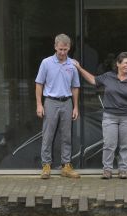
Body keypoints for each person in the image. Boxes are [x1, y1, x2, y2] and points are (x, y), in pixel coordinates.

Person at [72, 52, 127, 179]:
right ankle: (107, 170)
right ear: (118, 64)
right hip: (110, 117)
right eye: (125, 63)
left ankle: (123, 170)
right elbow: (93, 80)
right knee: (109, 144)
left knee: (125, 145)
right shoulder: (108, 77)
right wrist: (79, 68)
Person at [35, 34, 81, 179]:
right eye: (60, 49)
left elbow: (75, 87)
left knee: (66, 135)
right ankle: (46, 165)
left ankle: (66, 166)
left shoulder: (72, 65)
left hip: (67, 102)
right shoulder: (46, 63)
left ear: (69, 48)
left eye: (65, 49)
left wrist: (75, 107)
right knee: (48, 135)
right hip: (50, 102)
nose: (62, 52)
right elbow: (39, 84)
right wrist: (39, 104)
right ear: (55, 47)